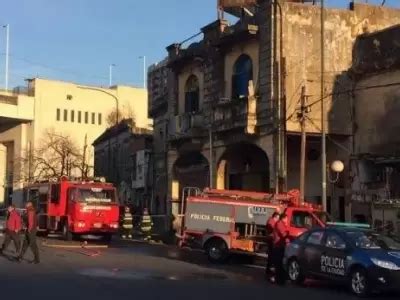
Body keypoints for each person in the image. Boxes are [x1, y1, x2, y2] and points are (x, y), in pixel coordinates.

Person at [272, 213, 290, 284]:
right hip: (278, 246)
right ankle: (279, 279)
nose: (287, 220)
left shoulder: (281, 224)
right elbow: (283, 234)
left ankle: (279, 279)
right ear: (284, 218)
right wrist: (289, 235)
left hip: (280, 245)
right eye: (286, 218)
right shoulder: (280, 224)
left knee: (279, 263)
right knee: (279, 263)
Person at [265, 212, 280, 278]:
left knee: (271, 255)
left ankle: (268, 269)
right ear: (275, 217)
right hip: (271, 239)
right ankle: (269, 269)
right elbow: (272, 230)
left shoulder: (271, 221)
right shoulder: (271, 222)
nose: (278, 219)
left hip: (270, 239)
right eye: (278, 218)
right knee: (271, 255)